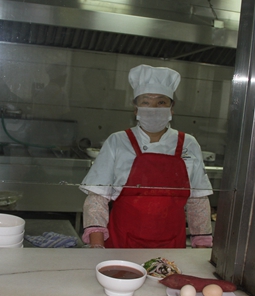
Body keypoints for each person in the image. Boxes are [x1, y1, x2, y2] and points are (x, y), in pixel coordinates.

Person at [79, 64, 213, 248]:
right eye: (146, 102)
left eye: (161, 102)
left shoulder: (188, 144)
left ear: (171, 108)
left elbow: (198, 202)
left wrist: (201, 247)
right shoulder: (118, 141)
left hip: (172, 246)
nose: (153, 108)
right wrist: (96, 247)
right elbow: (97, 199)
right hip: (122, 244)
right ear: (136, 109)